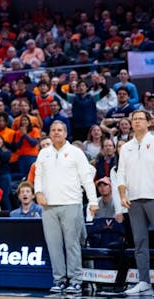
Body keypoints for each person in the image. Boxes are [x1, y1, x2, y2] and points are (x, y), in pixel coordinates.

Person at [35, 120, 98, 296]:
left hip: (71, 203)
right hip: (48, 206)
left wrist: (93, 201)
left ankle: (76, 280)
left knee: (72, 245)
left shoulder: (76, 153)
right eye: (53, 130)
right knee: (53, 246)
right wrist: (38, 191)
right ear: (49, 133)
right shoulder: (44, 153)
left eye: (60, 130)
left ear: (65, 133)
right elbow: (38, 175)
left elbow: (87, 179)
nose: (56, 133)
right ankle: (59, 280)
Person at [116, 109, 154, 295]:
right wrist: (123, 195)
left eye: (141, 119)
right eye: (134, 119)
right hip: (134, 200)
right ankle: (144, 281)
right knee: (140, 242)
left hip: (153, 196)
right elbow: (120, 173)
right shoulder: (125, 147)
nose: (137, 122)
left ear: (149, 122)